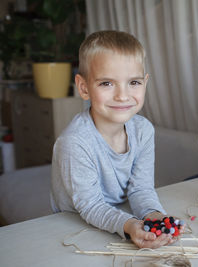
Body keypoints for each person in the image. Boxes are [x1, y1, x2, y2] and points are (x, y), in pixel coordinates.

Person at [50, 30, 180, 249]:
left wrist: (154, 215)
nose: (122, 95)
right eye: (107, 84)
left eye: (134, 82)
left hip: (120, 219)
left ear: (145, 83)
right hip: (74, 230)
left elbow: (141, 189)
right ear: (84, 88)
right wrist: (130, 226)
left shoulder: (143, 130)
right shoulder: (74, 142)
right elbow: (90, 205)